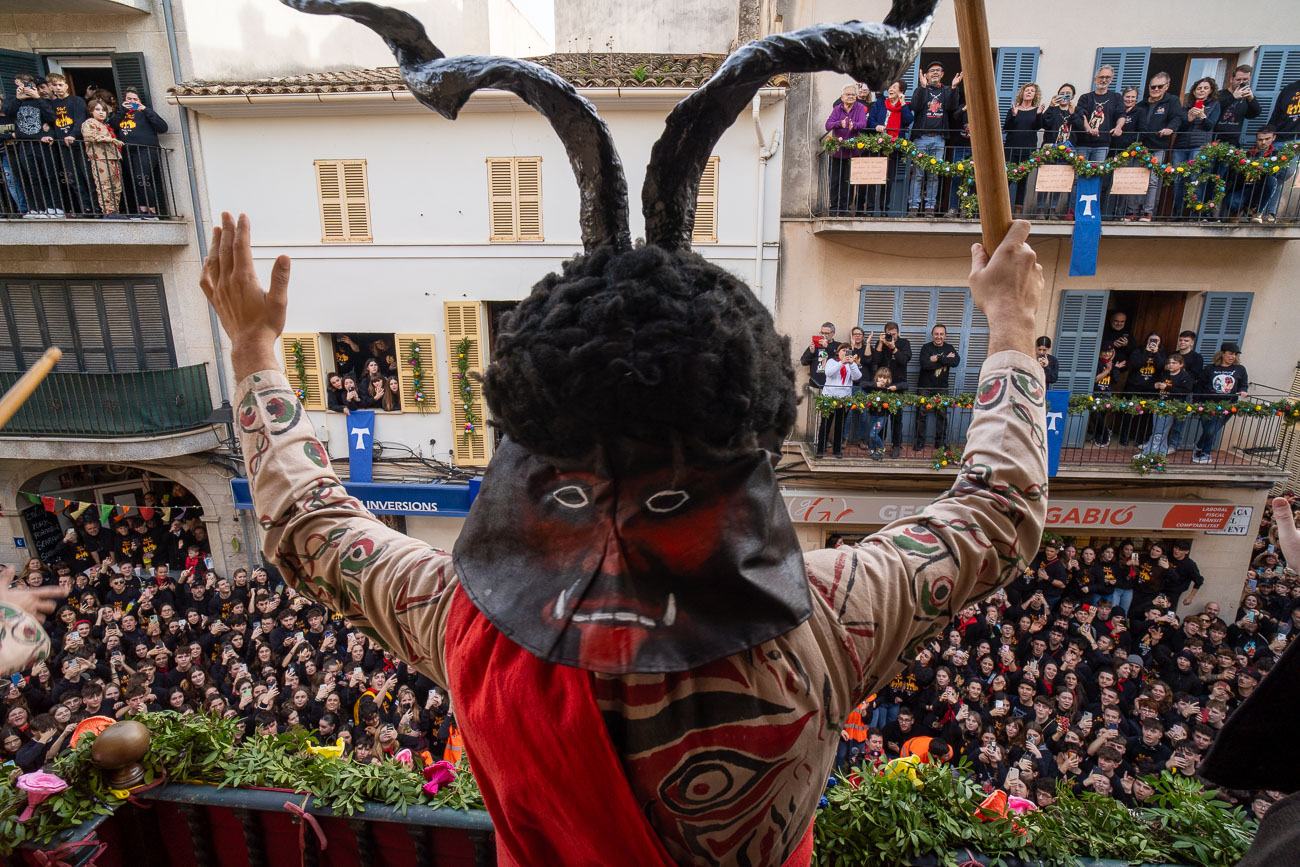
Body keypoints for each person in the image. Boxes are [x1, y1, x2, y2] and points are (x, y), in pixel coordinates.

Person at [194, 203, 1047, 866]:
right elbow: (997, 510)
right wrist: (1011, 327)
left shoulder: (464, 624)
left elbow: (309, 521)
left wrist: (254, 349)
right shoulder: (827, 618)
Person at [907, 61, 963, 216]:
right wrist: (922, 87)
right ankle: (913, 207)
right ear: (926, 75)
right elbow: (915, 106)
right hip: (921, 138)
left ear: (942, 74)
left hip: (938, 138)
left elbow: (952, 107)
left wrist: (954, 88)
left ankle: (930, 208)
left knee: (933, 175)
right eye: (932, 71)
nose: (935, 73)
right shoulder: (921, 90)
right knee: (918, 174)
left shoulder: (947, 91)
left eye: (938, 70)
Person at [1127, 72, 1184, 221]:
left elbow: (1177, 117)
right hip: (1140, 147)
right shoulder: (1141, 104)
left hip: (1158, 146)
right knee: (1135, 180)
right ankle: (1132, 212)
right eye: (1153, 87)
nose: (1156, 89)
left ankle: (1147, 212)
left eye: (1160, 86)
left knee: (1153, 181)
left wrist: (1170, 128)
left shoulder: (1172, 101)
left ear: (1167, 86)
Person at [2, 72, 58, 218]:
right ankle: (38, 208)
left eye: (29, 84)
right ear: (17, 83)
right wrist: (18, 98)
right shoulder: (13, 100)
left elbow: (52, 117)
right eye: (23, 84)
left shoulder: (40, 100)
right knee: (32, 178)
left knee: (49, 176)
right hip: (24, 145)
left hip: (41, 143)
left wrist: (37, 97)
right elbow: (8, 114)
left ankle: (55, 207)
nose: (26, 88)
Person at [108, 88, 169, 217]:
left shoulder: (146, 112)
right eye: (129, 99)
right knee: (135, 180)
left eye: (135, 99)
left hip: (146, 149)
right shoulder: (120, 114)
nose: (132, 101)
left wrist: (145, 110)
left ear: (139, 101)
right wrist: (122, 111)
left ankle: (152, 211)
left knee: (141, 178)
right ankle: (143, 210)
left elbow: (163, 127)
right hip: (128, 151)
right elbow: (111, 126)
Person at [1193, 342, 1249, 464]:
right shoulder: (1210, 368)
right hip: (1207, 404)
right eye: (1230, 353)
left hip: (1228, 405)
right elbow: (1199, 385)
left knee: (1210, 430)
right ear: (1222, 354)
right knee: (1208, 430)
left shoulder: (1240, 369)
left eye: (1235, 354)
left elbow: (1243, 384)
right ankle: (1201, 449)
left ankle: (1204, 451)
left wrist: (1243, 391)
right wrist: (1196, 401)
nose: (1233, 356)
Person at [1171, 77, 1220, 215]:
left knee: (1195, 178)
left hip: (1199, 145)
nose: (1201, 91)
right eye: (1199, 88)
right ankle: (1177, 212)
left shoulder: (1214, 105)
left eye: (1205, 88)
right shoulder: (1186, 107)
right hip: (1181, 146)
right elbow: (1179, 128)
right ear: (1193, 91)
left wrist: (1203, 116)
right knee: (1178, 179)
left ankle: (1195, 212)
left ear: (1210, 91)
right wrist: (1189, 120)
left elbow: (1211, 125)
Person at [45, 72, 90, 216]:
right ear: (51, 87)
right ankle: (85, 208)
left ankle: (95, 208)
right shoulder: (52, 105)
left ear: (66, 86)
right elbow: (52, 125)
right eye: (55, 85)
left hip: (80, 144)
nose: (58, 88)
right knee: (73, 178)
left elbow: (80, 120)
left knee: (88, 176)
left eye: (60, 85)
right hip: (63, 147)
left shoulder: (77, 101)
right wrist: (50, 134)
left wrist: (73, 135)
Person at [865, 80, 912, 214]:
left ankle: (884, 208)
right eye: (889, 87)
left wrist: (902, 103)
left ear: (901, 92)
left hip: (893, 147)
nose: (890, 89)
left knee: (888, 180)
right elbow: (871, 119)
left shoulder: (905, 106)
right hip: (878, 145)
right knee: (873, 177)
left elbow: (908, 120)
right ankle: (870, 208)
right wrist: (876, 126)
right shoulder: (881, 103)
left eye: (894, 87)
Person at [1138, 352, 1193, 458]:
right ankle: (1158, 448)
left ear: (1181, 364)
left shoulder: (1185, 376)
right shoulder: (1165, 374)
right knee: (1156, 428)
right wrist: (1155, 385)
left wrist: (1167, 387)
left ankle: (1153, 451)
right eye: (1169, 363)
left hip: (1171, 407)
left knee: (1161, 429)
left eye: (1174, 363)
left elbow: (1185, 391)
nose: (1170, 365)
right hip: (1159, 404)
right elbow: (1151, 384)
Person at [914, 324, 959, 451]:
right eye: (936, 334)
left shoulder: (949, 348)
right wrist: (945, 359)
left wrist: (937, 358)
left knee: (942, 416)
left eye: (941, 334)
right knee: (921, 415)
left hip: (942, 388)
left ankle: (940, 442)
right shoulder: (926, 348)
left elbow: (956, 362)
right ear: (932, 335)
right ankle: (919, 442)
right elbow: (924, 365)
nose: (939, 336)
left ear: (945, 336)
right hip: (925, 387)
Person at [825, 84, 868, 215]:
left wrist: (853, 125)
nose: (851, 97)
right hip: (837, 152)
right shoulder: (837, 109)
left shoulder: (859, 108)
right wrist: (840, 123)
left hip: (852, 152)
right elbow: (828, 125)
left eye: (853, 94)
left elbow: (863, 123)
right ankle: (834, 208)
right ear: (842, 97)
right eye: (848, 94)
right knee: (834, 181)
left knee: (848, 182)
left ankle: (845, 209)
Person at [1003, 81, 1045, 216]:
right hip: (1011, 148)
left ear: (1035, 95)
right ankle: (1002, 207)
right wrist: (1014, 115)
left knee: (1023, 180)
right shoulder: (1013, 109)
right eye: (1027, 90)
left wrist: (1039, 115)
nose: (1029, 92)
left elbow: (1037, 127)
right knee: (1007, 178)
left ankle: (1018, 209)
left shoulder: (1036, 111)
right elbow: (1006, 128)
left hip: (1027, 149)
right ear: (1022, 93)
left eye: (1032, 91)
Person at [872, 322, 912, 458]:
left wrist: (893, 347)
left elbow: (903, 360)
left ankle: (896, 445)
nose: (891, 337)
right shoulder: (881, 343)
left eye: (893, 334)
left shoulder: (904, 343)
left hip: (898, 386)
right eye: (889, 334)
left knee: (897, 419)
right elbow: (875, 360)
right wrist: (880, 343)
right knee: (881, 417)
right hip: (882, 386)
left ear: (898, 333)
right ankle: (880, 445)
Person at [1037, 83, 1076, 218]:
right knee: (1045, 180)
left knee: (1058, 182)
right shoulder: (1053, 110)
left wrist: (1073, 113)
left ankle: (1052, 209)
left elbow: (1079, 127)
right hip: (1049, 150)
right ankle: (1040, 209)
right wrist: (1051, 106)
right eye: (1062, 93)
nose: (1064, 96)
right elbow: (1044, 124)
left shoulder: (1074, 112)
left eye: (1068, 94)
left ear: (1072, 97)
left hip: (1066, 152)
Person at [81, 98, 124, 217]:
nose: (101, 112)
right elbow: (90, 136)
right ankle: (108, 212)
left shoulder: (105, 124)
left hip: (113, 157)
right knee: (104, 185)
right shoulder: (89, 122)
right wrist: (109, 139)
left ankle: (115, 211)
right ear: (91, 111)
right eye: (97, 109)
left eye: (103, 110)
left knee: (116, 186)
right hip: (100, 158)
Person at [1122, 332, 1166, 448]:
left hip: (1150, 388)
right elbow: (1136, 364)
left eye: (1156, 340)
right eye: (1151, 340)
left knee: (1145, 416)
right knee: (1128, 412)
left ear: (1160, 343)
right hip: (1134, 387)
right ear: (1147, 340)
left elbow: (1161, 367)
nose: (1153, 342)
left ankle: (1140, 439)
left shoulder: (1161, 354)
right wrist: (1146, 353)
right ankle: (1124, 438)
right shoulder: (1137, 351)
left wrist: (1155, 353)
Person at [817, 344, 860, 459]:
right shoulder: (832, 361)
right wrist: (841, 363)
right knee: (826, 424)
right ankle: (820, 449)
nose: (845, 353)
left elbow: (857, 377)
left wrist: (852, 364)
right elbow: (828, 373)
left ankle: (837, 450)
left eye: (848, 351)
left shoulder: (851, 364)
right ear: (838, 352)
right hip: (829, 398)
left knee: (840, 425)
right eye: (843, 350)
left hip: (844, 399)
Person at [1073, 66, 1122, 167]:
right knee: (1079, 171)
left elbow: (1121, 114)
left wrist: (1118, 127)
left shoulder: (1116, 97)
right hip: (1083, 142)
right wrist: (1088, 129)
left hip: (1102, 144)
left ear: (1111, 80)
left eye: (1107, 77)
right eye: (1101, 77)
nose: (1104, 80)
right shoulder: (1085, 97)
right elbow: (1081, 114)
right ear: (1095, 79)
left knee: (1097, 172)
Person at [840, 327, 873, 449]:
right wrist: (852, 346)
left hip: (864, 385)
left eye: (859, 334)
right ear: (851, 336)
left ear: (863, 337)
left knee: (863, 414)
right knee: (849, 413)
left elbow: (868, 360)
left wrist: (868, 343)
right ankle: (844, 438)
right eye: (855, 334)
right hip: (852, 385)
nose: (857, 336)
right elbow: (847, 361)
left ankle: (861, 439)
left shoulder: (867, 348)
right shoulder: (848, 349)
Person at [1215, 65, 1261, 145]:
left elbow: (1254, 114)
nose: (1241, 82)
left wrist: (1251, 99)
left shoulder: (1247, 97)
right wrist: (1233, 97)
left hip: (1233, 140)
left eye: (1245, 79)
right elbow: (1215, 109)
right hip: (1215, 138)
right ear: (1231, 79)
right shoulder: (1219, 94)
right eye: (1238, 79)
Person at [865, 366, 896, 461]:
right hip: (873, 414)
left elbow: (905, 385)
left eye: (884, 378)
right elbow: (862, 385)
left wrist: (895, 387)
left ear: (888, 379)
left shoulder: (888, 390)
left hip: (882, 416)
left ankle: (881, 448)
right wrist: (875, 384)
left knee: (873, 434)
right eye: (880, 377)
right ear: (877, 377)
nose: (882, 379)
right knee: (870, 435)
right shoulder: (874, 388)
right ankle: (873, 452)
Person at [800, 322, 838, 389]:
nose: (824, 335)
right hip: (815, 385)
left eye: (826, 333)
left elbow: (839, 360)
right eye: (822, 333)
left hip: (832, 386)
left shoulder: (837, 346)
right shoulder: (816, 345)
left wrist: (827, 347)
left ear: (833, 333)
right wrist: (811, 352)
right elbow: (803, 362)